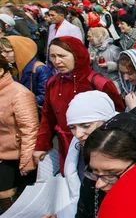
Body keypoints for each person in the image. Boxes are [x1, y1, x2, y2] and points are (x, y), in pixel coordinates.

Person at [34, 36, 124, 173]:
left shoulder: (99, 83)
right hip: (65, 148)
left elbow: (118, 118)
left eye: (62, 56)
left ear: (77, 55)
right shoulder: (52, 83)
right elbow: (48, 116)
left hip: (98, 149)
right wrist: (41, 145)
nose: (57, 61)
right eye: (53, 56)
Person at [0, 54, 38, 218]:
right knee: (5, 192)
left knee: (13, 190)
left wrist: (26, 160)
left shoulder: (18, 93)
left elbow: (29, 128)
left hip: (18, 152)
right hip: (3, 152)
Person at [0, 36, 52, 106]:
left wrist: (21, 102)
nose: (3, 55)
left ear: (20, 50)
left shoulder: (40, 69)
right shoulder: (12, 68)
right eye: (1, 51)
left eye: (7, 51)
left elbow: (46, 96)